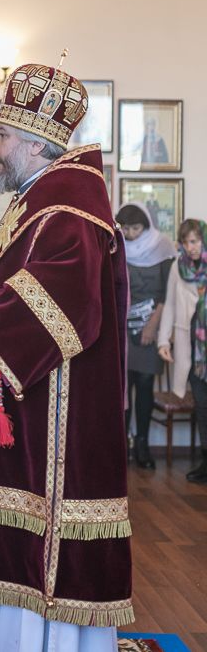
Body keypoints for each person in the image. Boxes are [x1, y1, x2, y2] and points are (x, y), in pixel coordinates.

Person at [0, 62, 132, 651]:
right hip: (29, 408)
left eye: (2, 134)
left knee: (34, 567)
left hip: (49, 425)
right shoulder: (43, 197)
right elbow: (24, 275)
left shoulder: (66, 209)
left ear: (37, 143)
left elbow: (72, 304)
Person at [116, 203, 174, 469]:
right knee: (123, 387)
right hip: (123, 326)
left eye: (136, 228)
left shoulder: (162, 246)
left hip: (152, 324)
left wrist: (152, 326)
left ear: (146, 225)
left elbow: (168, 292)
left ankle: (142, 444)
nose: (130, 234)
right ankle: (122, 445)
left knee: (145, 384)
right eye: (126, 228)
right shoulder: (117, 247)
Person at [158, 219, 207, 484]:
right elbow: (170, 306)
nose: (192, 247)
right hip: (193, 351)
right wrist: (163, 341)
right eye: (187, 242)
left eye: (196, 241)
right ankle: (205, 462)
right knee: (202, 407)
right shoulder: (179, 267)